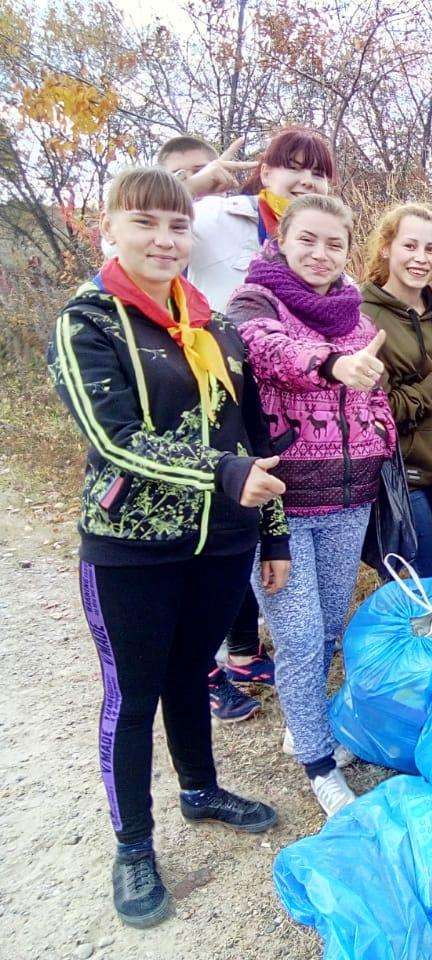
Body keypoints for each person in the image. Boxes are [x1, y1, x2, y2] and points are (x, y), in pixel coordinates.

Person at [48, 168, 286, 928]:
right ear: (108, 229)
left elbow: (251, 433)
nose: (164, 239)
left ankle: (200, 789)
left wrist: (272, 529)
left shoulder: (214, 324)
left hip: (219, 542)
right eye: (145, 223)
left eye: (178, 226)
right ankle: (133, 844)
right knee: (133, 693)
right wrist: (226, 473)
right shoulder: (88, 324)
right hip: (131, 547)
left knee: (192, 669)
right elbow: (115, 441)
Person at [229, 194, 396, 817]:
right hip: (281, 505)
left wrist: (380, 436)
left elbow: (370, 386)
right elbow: (269, 349)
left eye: (334, 244)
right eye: (309, 240)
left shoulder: (352, 309)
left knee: (327, 627)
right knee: (297, 637)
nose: (321, 254)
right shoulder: (254, 301)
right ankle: (319, 765)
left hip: (349, 497)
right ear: (282, 240)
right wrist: (332, 364)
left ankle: (309, 726)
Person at [189, 127, 336, 721]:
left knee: (254, 537)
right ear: (264, 172)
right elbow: (132, 227)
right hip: (214, 393)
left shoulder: (317, 238)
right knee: (216, 541)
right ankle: (202, 668)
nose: (305, 180)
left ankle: (244, 651)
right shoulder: (215, 216)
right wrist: (194, 183)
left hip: (281, 411)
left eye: (318, 172)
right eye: (292, 167)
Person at [360, 203, 432, 577]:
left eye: (430, 249)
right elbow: (376, 411)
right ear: (386, 248)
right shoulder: (365, 316)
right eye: (410, 246)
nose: (420, 259)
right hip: (405, 476)